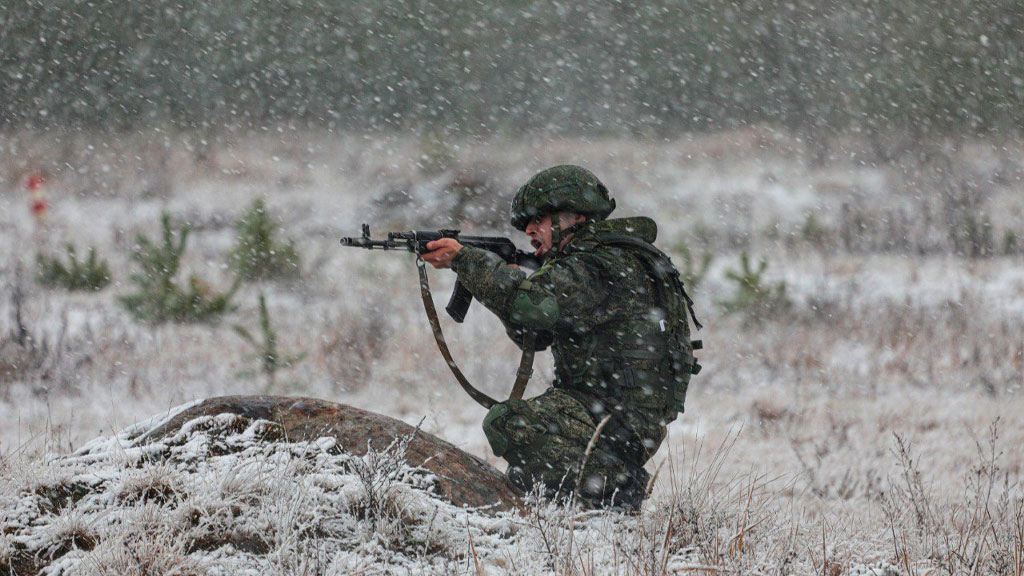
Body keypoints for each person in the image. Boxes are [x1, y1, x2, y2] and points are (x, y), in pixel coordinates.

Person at [422, 165, 701, 510]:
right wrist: (501, 280)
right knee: (527, 471)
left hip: (616, 419)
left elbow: (534, 305)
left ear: (573, 217)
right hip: (613, 411)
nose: (529, 230)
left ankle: (618, 490)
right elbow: (535, 334)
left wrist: (467, 261)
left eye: (539, 219)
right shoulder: (597, 259)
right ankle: (577, 502)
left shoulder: (598, 265)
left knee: (510, 424)